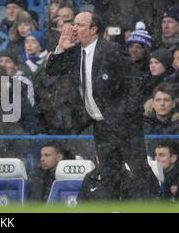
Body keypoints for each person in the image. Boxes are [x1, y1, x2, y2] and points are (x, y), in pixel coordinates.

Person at [46, 11, 160, 199]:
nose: (74, 28)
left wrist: (125, 114)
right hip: (100, 125)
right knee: (108, 171)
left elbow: (134, 82)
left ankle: (158, 207)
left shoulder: (112, 50)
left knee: (138, 168)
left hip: (124, 123)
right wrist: (60, 47)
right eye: (73, 24)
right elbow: (52, 70)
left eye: (80, 25)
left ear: (93, 29)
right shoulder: (74, 52)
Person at [143, 83, 179, 166]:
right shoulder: (144, 124)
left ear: (173, 104)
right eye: (158, 100)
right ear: (153, 104)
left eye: (166, 100)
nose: (162, 104)